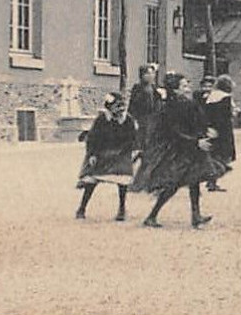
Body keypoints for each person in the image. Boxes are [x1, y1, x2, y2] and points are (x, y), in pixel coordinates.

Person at [134, 73, 223, 228]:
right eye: (184, 86)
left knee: (194, 180)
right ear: (175, 90)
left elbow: (194, 122)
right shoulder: (171, 107)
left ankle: (196, 215)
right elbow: (174, 132)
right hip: (181, 150)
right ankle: (152, 216)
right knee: (173, 184)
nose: (188, 88)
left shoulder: (185, 103)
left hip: (191, 148)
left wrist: (205, 130)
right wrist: (196, 142)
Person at [74, 92, 138, 221]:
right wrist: (92, 154)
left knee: (123, 179)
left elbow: (132, 139)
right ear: (109, 107)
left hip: (121, 152)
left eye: (122, 106)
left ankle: (122, 209)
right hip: (102, 151)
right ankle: (82, 208)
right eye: (116, 106)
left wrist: (129, 151)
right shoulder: (102, 119)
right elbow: (92, 138)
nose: (120, 109)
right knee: (91, 180)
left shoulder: (128, 120)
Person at [199, 75, 237, 190]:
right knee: (223, 155)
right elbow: (225, 116)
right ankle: (212, 179)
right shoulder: (225, 98)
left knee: (214, 154)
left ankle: (211, 180)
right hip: (223, 130)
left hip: (212, 128)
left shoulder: (211, 97)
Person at [128, 63, 164, 155]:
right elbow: (133, 106)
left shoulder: (154, 88)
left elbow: (158, 103)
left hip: (153, 119)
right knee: (142, 142)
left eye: (153, 73)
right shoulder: (138, 88)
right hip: (142, 119)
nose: (151, 76)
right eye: (148, 74)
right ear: (142, 76)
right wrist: (133, 120)